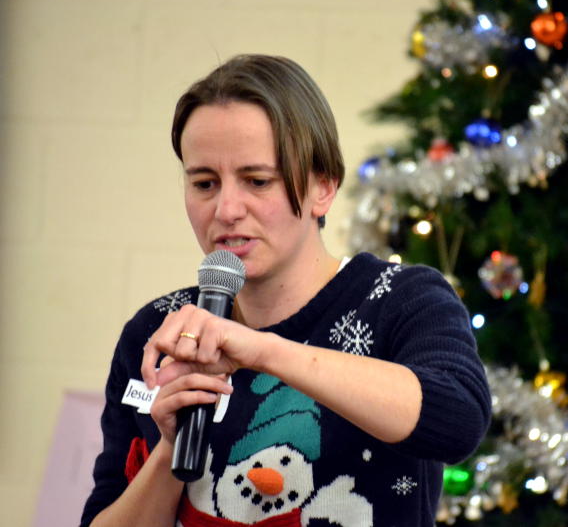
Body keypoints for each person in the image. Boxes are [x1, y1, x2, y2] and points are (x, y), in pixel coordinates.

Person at [81, 54, 491, 527]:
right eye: (204, 183)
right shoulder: (159, 330)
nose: (226, 209)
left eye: (257, 181)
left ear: (323, 187)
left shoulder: (401, 299)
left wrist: (263, 351)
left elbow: (458, 420)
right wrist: (171, 448)